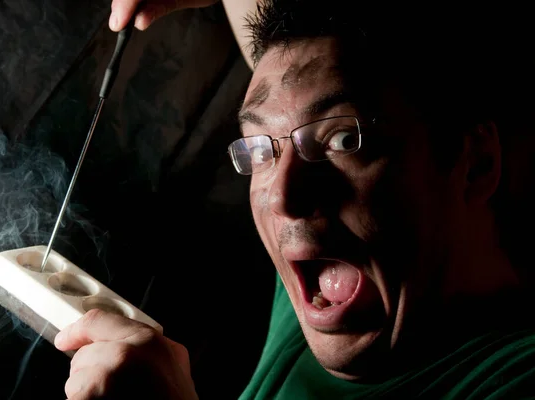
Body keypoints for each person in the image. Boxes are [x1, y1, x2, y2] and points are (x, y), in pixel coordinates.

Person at [53, 1, 535, 398]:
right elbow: (292, 82)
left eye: (344, 140)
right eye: (261, 149)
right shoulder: (338, 274)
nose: (283, 196)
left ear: (475, 165)